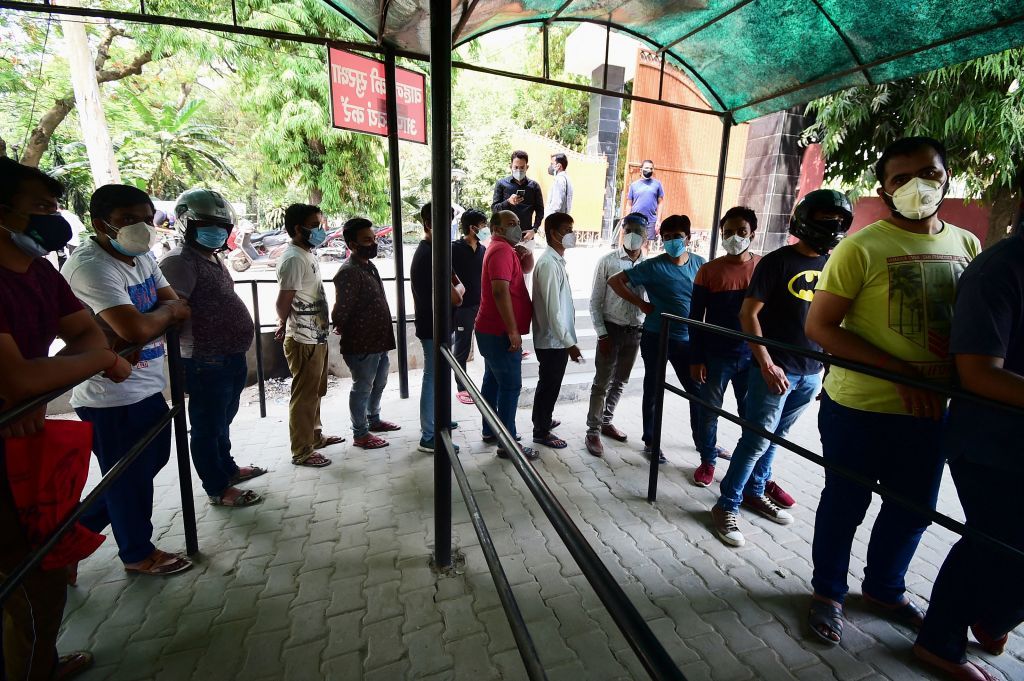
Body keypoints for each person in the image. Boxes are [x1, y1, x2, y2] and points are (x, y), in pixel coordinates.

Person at [804, 137, 980, 647]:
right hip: (860, 408)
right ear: (884, 191)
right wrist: (905, 375)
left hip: (930, 414)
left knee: (914, 508)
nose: (916, 187)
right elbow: (821, 326)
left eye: (928, 173)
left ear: (947, 176)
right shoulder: (862, 246)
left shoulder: (967, 245)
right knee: (845, 502)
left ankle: (884, 589)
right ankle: (828, 594)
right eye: (901, 179)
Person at [0, 159, 128, 681]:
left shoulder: (39, 272)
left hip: (24, 439)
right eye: (39, 208)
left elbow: (88, 336)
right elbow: (25, 378)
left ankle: (40, 662)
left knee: (38, 571)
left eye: (54, 207)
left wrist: (37, 380)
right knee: (29, 583)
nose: (52, 219)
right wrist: (88, 365)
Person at [912, 203, 1024, 681]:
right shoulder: (1001, 269)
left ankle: (993, 616)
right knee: (995, 540)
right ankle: (940, 640)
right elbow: (978, 374)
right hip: (992, 443)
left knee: (1008, 546)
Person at [62, 184, 193, 576]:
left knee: (142, 468)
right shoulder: (91, 267)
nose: (139, 227)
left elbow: (177, 305)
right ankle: (137, 553)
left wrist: (143, 322)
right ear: (99, 224)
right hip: (109, 395)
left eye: (144, 218)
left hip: (146, 385)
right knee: (127, 478)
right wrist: (154, 318)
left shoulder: (142, 258)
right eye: (126, 220)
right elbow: (141, 324)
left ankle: (68, 539)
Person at [710, 190, 851, 550]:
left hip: (810, 371)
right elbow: (748, 314)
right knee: (757, 438)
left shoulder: (834, 265)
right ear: (805, 220)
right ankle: (726, 504)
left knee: (776, 438)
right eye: (824, 219)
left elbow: (838, 321)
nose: (831, 226)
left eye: (837, 220)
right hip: (776, 370)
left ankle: (756, 492)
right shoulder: (776, 263)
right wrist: (766, 362)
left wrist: (829, 368)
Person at [159, 188, 264, 507]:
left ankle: (228, 469)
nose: (216, 230)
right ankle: (217, 487)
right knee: (206, 426)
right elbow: (173, 311)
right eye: (206, 223)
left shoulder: (213, 257)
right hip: (204, 359)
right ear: (185, 223)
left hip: (229, 356)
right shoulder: (179, 261)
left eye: (221, 224)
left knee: (222, 420)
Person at [609, 215, 705, 464]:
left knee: (697, 390)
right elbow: (615, 281)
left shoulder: (701, 265)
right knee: (653, 388)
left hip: (688, 339)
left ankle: (704, 440)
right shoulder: (652, 266)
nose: (673, 241)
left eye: (678, 237)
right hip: (656, 337)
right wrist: (642, 304)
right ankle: (651, 441)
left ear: (688, 238)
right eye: (668, 237)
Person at [687, 206, 761, 486]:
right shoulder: (708, 271)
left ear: (752, 233)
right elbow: (696, 317)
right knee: (710, 412)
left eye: (741, 232)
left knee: (751, 415)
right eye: (728, 232)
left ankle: (750, 469)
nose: (735, 237)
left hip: (753, 356)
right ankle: (708, 460)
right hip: (716, 356)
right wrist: (696, 358)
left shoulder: (762, 269)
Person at [275, 204, 342, 468]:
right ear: (296, 229)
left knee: (315, 391)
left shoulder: (306, 254)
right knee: (304, 395)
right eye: (314, 226)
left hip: (316, 336)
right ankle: (301, 451)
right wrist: (284, 321)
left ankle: (315, 436)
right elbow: (283, 304)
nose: (319, 230)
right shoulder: (293, 258)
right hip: (303, 338)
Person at [332, 217, 400, 449]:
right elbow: (341, 310)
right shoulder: (349, 272)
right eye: (367, 240)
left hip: (378, 340)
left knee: (378, 383)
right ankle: (360, 433)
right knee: (362, 387)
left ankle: (374, 420)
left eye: (373, 238)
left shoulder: (368, 266)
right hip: (362, 343)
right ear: (352, 244)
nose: (373, 243)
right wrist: (340, 324)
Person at [475, 210, 537, 461]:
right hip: (499, 332)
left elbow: (526, 270)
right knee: (510, 386)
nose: (517, 228)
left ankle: (491, 430)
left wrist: (526, 253)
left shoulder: (506, 249)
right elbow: (500, 292)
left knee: (492, 381)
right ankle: (508, 443)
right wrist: (513, 331)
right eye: (510, 224)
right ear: (496, 229)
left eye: (518, 223)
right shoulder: (501, 251)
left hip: (491, 331)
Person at [585, 213, 648, 456]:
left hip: (635, 332)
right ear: (622, 231)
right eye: (628, 229)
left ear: (646, 235)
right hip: (611, 330)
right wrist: (602, 334)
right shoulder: (607, 262)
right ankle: (592, 431)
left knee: (620, 381)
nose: (633, 235)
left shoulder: (648, 265)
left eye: (638, 231)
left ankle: (606, 421)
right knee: (601, 382)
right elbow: (594, 302)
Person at [410, 203, 463, 453]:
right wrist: (457, 290)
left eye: (451, 220)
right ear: (428, 224)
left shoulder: (437, 250)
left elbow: (458, 285)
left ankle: (439, 419)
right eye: (444, 220)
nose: (450, 226)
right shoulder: (429, 255)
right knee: (432, 376)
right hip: (432, 326)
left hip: (442, 324)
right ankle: (429, 434)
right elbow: (458, 296)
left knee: (439, 374)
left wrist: (457, 289)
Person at [531, 212, 581, 450]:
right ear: (553, 233)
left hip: (556, 340)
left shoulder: (556, 261)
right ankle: (540, 430)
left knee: (551, 383)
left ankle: (545, 419)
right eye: (567, 229)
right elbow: (553, 311)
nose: (572, 234)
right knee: (549, 385)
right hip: (552, 340)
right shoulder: (548, 264)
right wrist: (569, 342)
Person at [451, 209, 488, 405]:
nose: (485, 229)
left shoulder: (483, 250)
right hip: (463, 308)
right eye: (483, 226)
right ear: (472, 228)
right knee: (462, 348)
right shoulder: (454, 249)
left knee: (484, 345)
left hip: (481, 306)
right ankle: (461, 387)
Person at [492, 150, 543, 240]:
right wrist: (508, 202)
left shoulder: (534, 186)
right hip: (505, 236)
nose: (519, 170)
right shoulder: (501, 184)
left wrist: (534, 230)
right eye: (516, 167)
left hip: (526, 236)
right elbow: (494, 209)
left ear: (527, 167)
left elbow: (540, 211)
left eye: (522, 167)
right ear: (511, 166)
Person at [625, 160, 665, 253]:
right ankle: (634, 265)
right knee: (634, 243)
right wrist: (627, 219)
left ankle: (643, 265)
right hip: (635, 219)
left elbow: (661, 203)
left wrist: (658, 221)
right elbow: (629, 204)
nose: (649, 170)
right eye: (646, 168)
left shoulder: (657, 184)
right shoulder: (634, 185)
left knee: (645, 244)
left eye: (651, 168)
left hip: (650, 220)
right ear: (641, 170)